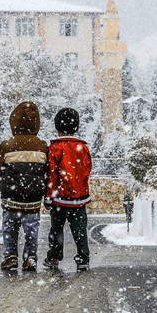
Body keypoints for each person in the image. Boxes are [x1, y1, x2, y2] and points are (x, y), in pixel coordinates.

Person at [0, 101, 48, 272]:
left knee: (10, 228)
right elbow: (47, 168)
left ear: (14, 121)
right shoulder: (42, 145)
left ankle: (10, 256)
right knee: (31, 228)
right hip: (33, 198)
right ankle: (30, 257)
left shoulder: (7, 145)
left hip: (11, 197)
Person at [43, 108, 92, 271]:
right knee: (80, 229)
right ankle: (83, 257)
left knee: (57, 229)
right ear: (76, 127)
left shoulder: (55, 148)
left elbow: (52, 175)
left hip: (59, 198)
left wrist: (49, 197)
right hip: (79, 197)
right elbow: (87, 170)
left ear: (57, 127)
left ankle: (55, 256)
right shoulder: (83, 148)